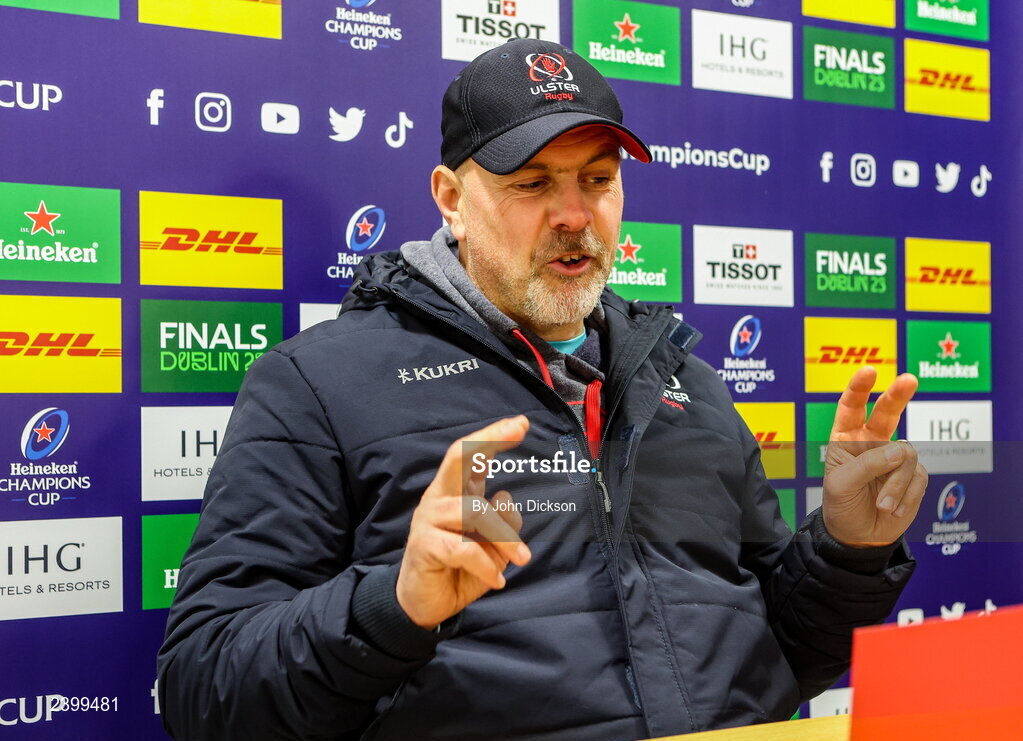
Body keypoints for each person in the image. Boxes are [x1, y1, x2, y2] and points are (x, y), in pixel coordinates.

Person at [157, 39, 927, 741]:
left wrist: (847, 549)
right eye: (533, 183)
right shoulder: (317, 382)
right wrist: (394, 603)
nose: (573, 216)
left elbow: (780, 654)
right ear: (450, 199)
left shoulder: (685, 379)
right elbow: (204, 692)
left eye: (598, 180)